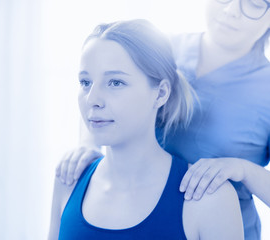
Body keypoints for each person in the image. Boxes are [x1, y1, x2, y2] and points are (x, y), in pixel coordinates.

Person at [56, 1, 270, 239]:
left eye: (256, 3)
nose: (232, 10)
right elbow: (102, 92)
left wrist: (243, 170)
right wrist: (88, 146)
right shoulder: (161, 48)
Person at [48, 19, 244, 240]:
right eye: (85, 82)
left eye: (115, 82)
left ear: (160, 93)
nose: (92, 99)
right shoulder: (68, 180)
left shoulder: (211, 199)